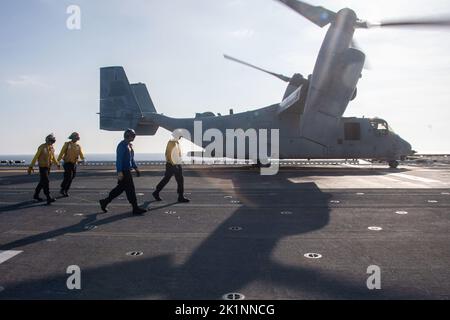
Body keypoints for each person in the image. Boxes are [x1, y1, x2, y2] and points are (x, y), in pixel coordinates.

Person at [99, 129, 147, 215]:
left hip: (127, 170)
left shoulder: (129, 146)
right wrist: (119, 172)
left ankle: (105, 201)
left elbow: (131, 159)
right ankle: (135, 208)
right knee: (130, 189)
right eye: (133, 135)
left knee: (119, 189)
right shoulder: (122, 145)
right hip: (124, 172)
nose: (134, 137)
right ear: (128, 135)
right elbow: (119, 160)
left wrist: (136, 168)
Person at [152, 132, 190, 203]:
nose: (180, 138)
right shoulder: (171, 143)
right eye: (179, 136)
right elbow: (168, 154)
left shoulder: (177, 143)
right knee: (167, 179)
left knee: (179, 180)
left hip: (176, 164)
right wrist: (174, 164)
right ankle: (156, 192)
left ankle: (180, 196)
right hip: (172, 165)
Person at [28, 134, 60, 205]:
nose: (52, 142)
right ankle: (48, 197)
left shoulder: (51, 148)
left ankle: (36, 195)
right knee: (46, 181)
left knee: (42, 182)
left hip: (48, 167)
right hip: (42, 167)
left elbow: (53, 157)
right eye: (51, 141)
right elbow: (36, 157)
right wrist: (31, 166)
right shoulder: (42, 147)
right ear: (48, 140)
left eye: (52, 141)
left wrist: (57, 164)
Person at [57, 132, 85, 197]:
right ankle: (63, 189)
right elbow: (62, 152)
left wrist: (83, 159)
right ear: (72, 138)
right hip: (67, 163)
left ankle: (66, 190)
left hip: (74, 164)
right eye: (75, 137)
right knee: (68, 177)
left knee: (72, 177)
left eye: (77, 137)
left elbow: (81, 154)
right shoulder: (67, 144)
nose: (76, 138)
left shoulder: (78, 146)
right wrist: (57, 161)